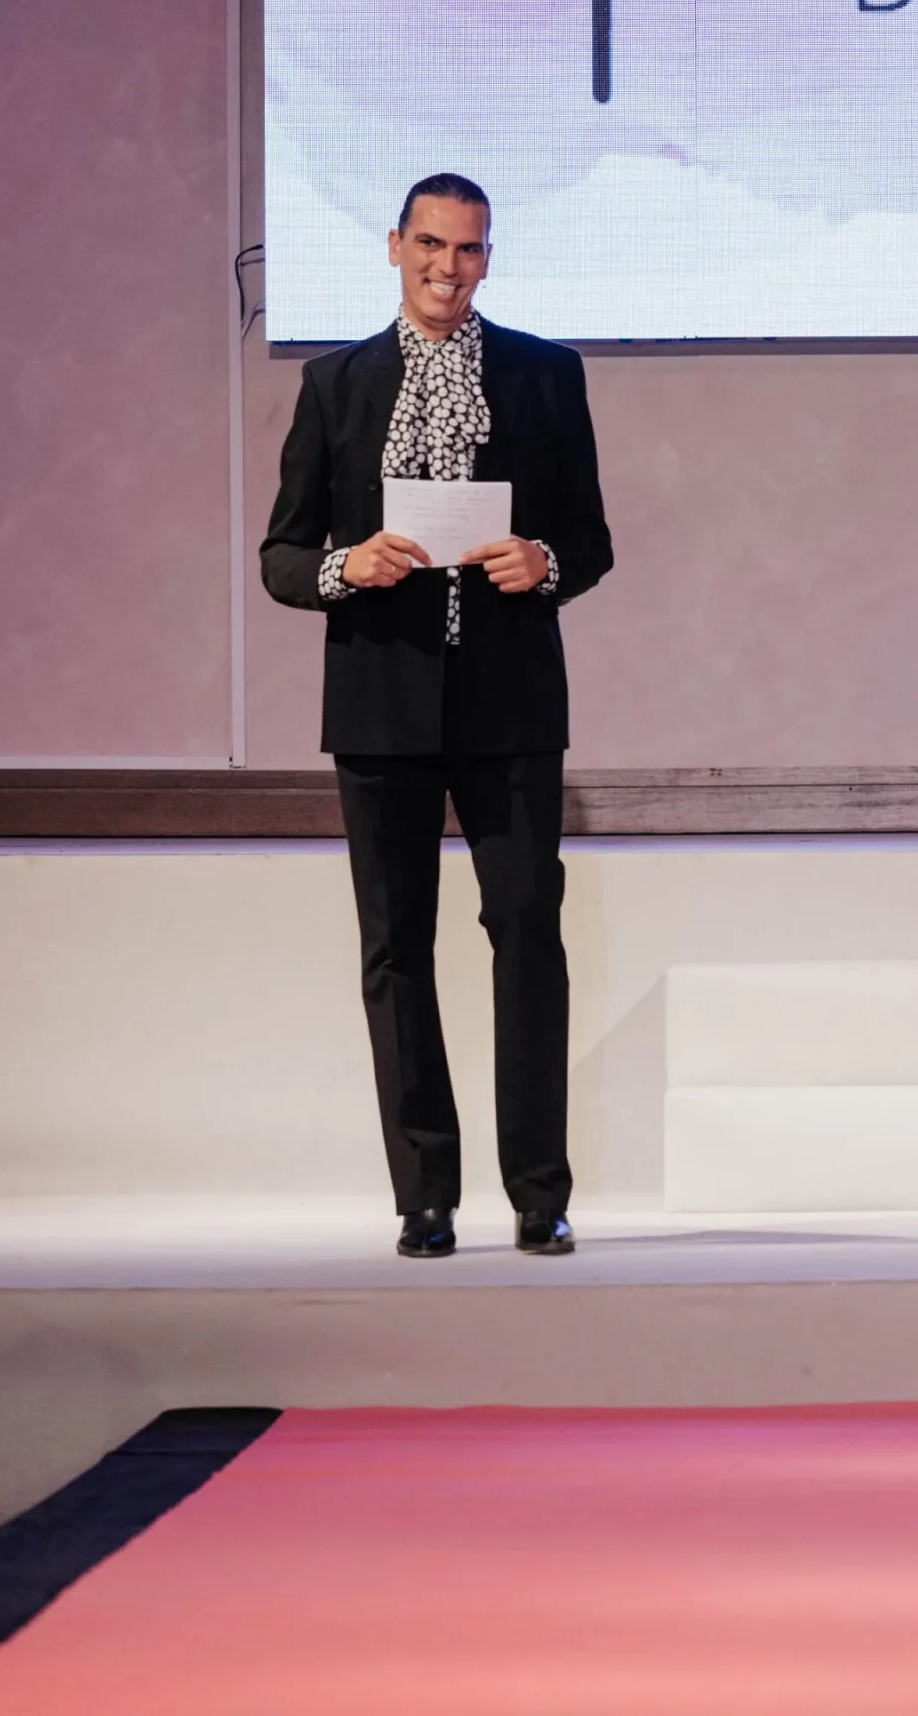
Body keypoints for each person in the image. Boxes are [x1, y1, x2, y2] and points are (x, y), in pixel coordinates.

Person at [261, 174, 612, 1260]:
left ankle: (539, 1192)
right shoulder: (335, 384)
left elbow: (591, 539)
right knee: (396, 948)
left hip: (511, 703)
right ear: (393, 246)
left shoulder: (546, 375)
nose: (446, 268)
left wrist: (544, 560)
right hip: (380, 704)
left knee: (528, 934)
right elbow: (282, 554)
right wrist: (347, 565)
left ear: (488, 258)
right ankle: (425, 1194)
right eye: (429, 244)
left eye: (467, 249)